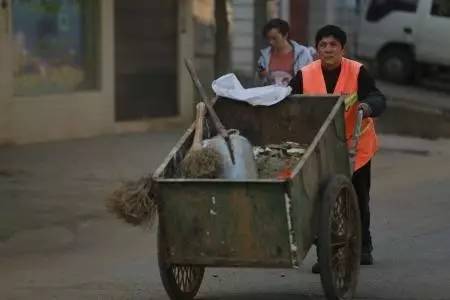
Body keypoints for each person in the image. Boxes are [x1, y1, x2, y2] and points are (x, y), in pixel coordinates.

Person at [288, 25, 386, 273]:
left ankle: (364, 246)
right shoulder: (304, 74)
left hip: (356, 145)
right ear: (317, 49)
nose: (328, 49)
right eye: (323, 45)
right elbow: (285, 99)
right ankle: (327, 253)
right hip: (320, 147)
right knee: (321, 199)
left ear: (343, 48)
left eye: (333, 45)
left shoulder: (357, 71)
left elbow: (376, 96)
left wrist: (366, 106)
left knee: (358, 196)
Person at [256, 18, 313, 86]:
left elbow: (310, 79)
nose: (271, 42)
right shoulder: (264, 57)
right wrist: (261, 76)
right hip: (272, 95)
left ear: (285, 35)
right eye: (268, 38)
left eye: (275, 38)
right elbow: (257, 84)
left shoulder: (302, 54)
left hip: (295, 95)